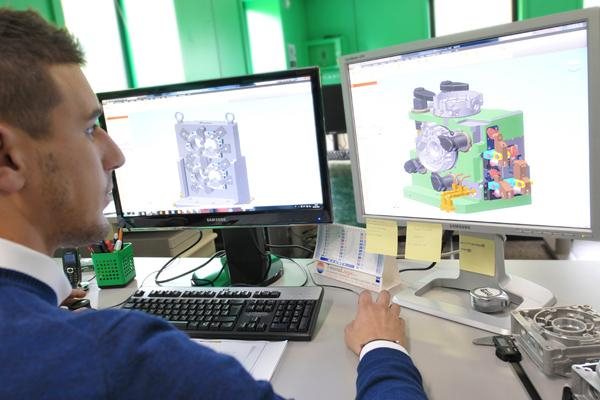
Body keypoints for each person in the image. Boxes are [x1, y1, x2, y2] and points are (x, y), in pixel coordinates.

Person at [0, 8, 426, 399]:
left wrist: (38, 309)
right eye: (89, 128)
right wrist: (381, 347)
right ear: (8, 159)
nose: (116, 155)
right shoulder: (119, 356)